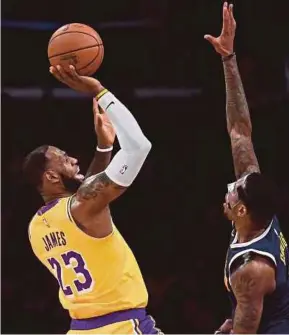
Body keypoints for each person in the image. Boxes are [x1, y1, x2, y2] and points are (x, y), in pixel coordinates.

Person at [25, 65, 162, 334]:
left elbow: (85, 200)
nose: (74, 160)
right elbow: (138, 147)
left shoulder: (36, 228)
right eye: (64, 159)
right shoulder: (82, 207)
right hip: (123, 326)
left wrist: (104, 147)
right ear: (52, 177)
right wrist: (100, 92)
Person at [205, 2, 289, 334]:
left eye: (233, 191)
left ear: (240, 208)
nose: (230, 186)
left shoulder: (251, 270)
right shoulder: (254, 214)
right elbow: (239, 129)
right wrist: (228, 57)